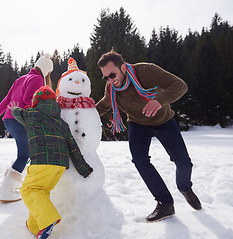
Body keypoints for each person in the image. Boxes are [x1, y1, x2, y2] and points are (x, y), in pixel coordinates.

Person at [95, 50, 201, 223]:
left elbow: (180, 85)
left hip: (164, 120)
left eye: (112, 75)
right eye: (105, 77)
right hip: (138, 125)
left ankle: (185, 188)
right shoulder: (112, 88)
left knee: (183, 162)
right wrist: (81, 114)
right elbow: (104, 104)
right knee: (139, 160)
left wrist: (160, 100)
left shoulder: (145, 71)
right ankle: (165, 203)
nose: (110, 80)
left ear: (123, 67)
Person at [11, 85, 93, 239]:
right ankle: (34, 226)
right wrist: (84, 169)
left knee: (29, 190)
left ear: (36, 102)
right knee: (41, 192)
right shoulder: (62, 123)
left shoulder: (32, 114)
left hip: (42, 161)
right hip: (60, 165)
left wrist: (15, 108)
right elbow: (73, 147)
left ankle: (48, 220)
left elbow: (17, 113)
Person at [0, 53, 53, 202]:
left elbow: (6, 100)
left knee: (24, 154)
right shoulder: (38, 79)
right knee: (24, 156)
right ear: (46, 70)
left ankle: (10, 182)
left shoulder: (21, 79)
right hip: (20, 120)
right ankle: (7, 191)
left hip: (9, 121)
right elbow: (28, 99)